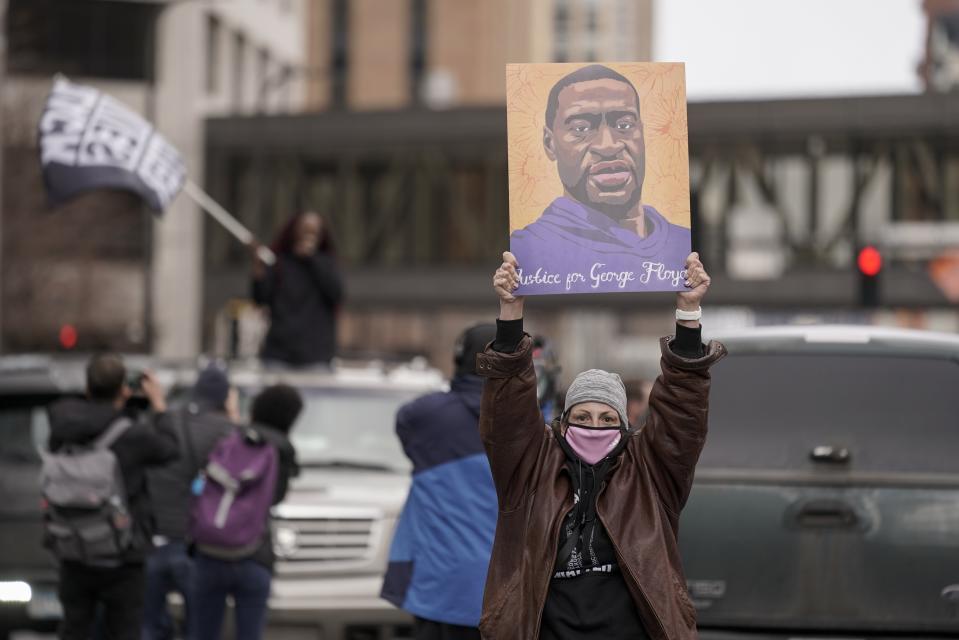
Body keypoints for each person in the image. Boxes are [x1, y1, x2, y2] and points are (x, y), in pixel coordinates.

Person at [476, 250, 726, 639]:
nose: (595, 427)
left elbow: (682, 411)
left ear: (626, 426)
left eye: (608, 419)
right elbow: (507, 410)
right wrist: (511, 311)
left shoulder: (650, 474)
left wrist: (688, 313)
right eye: (583, 417)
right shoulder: (531, 469)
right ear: (563, 420)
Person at [510, 64, 691, 294]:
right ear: (549, 143)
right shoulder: (525, 254)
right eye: (581, 128)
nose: (608, 145)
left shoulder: (683, 251)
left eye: (624, 125)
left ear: (642, 134)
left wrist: (690, 308)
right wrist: (510, 306)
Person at [47, 355, 179, 640]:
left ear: (87, 388)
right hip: (122, 554)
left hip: (73, 547)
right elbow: (170, 449)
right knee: (125, 630)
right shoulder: (132, 435)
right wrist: (158, 404)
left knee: (74, 628)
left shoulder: (62, 428)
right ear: (125, 390)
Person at [381, 324, 499, 640]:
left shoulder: (424, 416)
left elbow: (405, 426)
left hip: (438, 585)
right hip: (503, 585)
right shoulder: (526, 424)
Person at [192, 384, 301, 640]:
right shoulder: (281, 448)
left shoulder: (230, 436)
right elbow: (275, 497)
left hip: (209, 550)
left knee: (202, 632)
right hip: (254, 553)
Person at [142, 365, 238, 640]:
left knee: (148, 626)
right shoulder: (225, 430)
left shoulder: (163, 419)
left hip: (153, 540)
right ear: (224, 396)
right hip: (193, 545)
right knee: (201, 628)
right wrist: (233, 416)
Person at [251, 211, 344, 366]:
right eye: (304, 230)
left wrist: (312, 259)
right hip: (280, 353)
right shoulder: (279, 263)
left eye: (313, 231)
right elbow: (260, 298)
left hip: (316, 355)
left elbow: (337, 293)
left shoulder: (327, 263)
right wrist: (259, 271)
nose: (308, 235)